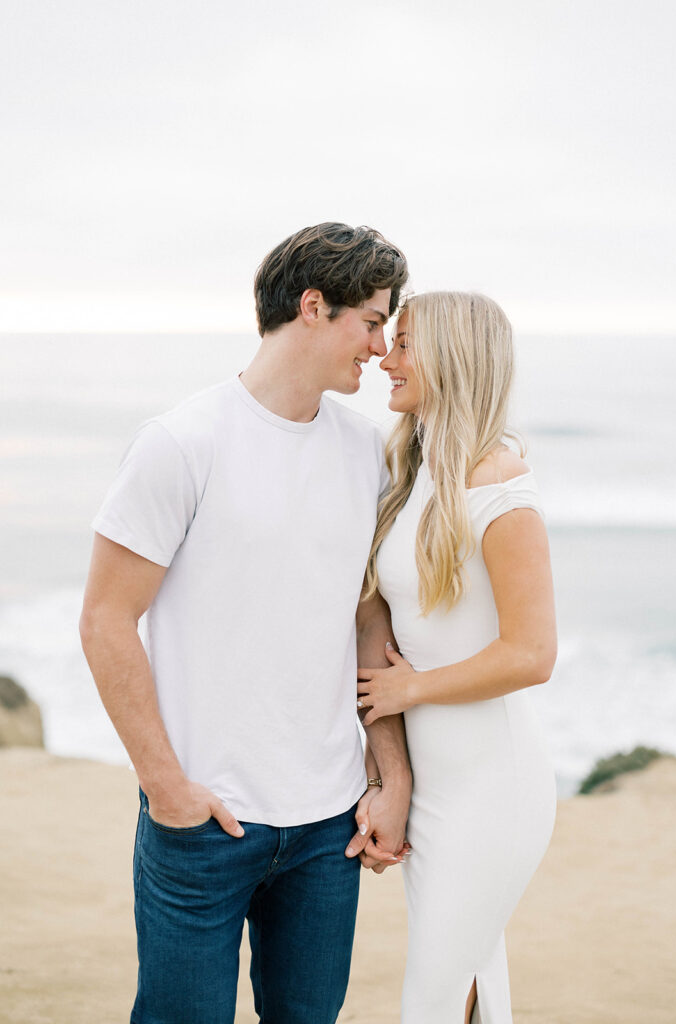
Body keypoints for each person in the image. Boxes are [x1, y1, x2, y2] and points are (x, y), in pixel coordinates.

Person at [79, 222, 412, 1024]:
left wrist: (387, 776)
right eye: (370, 321)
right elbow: (105, 620)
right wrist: (167, 787)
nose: (379, 345)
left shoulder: (367, 452)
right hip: (203, 821)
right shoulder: (181, 443)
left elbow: (367, 619)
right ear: (312, 307)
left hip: (327, 825)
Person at [357, 291, 557, 1024]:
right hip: (435, 780)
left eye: (404, 344)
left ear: (450, 357)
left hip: (490, 786)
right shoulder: (412, 474)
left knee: (434, 994)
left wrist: (413, 691)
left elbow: (532, 654)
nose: (386, 357)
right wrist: (389, 770)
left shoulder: (499, 485)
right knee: (471, 982)